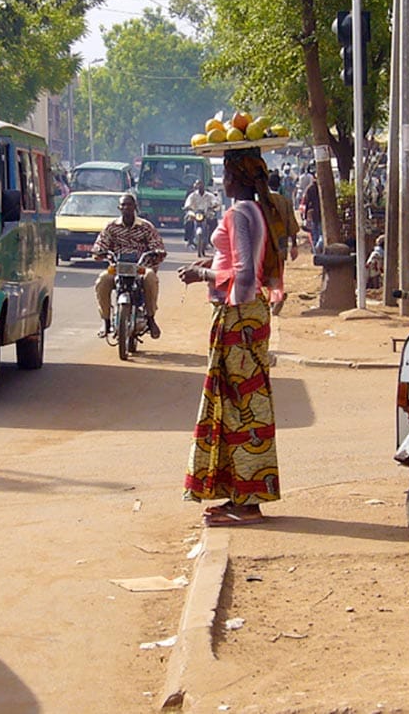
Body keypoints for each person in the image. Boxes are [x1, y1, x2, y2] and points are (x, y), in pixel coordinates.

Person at [178, 148, 286, 526]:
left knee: (241, 408)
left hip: (238, 316)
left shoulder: (238, 212)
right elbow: (249, 262)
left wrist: (201, 276)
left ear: (236, 178)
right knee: (241, 404)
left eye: (225, 173)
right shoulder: (257, 211)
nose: (222, 181)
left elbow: (243, 276)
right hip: (249, 314)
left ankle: (249, 502)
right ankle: (240, 494)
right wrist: (212, 263)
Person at [91, 193, 166, 339]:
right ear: (119, 208)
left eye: (129, 205)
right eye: (123, 205)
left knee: (150, 277)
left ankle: (151, 319)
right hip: (118, 267)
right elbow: (100, 244)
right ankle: (105, 321)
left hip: (140, 267)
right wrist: (99, 252)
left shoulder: (145, 226)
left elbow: (157, 244)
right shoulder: (111, 227)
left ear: (135, 207)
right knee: (102, 281)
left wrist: (157, 252)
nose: (126, 208)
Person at [264, 169, 301, 312]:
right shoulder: (285, 201)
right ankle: (276, 297)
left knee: (265, 272)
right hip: (281, 243)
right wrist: (295, 245)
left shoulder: (262, 200)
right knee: (278, 272)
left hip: (265, 242)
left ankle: (273, 299)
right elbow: (292, 224)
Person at [182, 179, 220, 245]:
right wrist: (188, 207)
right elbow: (188, 204)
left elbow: (215, 202)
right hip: (195, 213)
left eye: (201, 185)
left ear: (203, 186)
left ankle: (211, 240)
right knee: (188, 220)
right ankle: (189, 239)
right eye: (198, 185)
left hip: (206, 213)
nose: (199, 186)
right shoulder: (192, 195)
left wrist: (214, 206)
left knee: (213, 221)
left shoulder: (209, 195)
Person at [302, 176, 322, 248]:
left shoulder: (310, 188)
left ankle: (315, 248)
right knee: (320, 233)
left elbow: (306, 203)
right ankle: (318, 247)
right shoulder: (322, 187)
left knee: (314, 232)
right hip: (320, 214)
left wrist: (305, 216)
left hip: (313, 214)